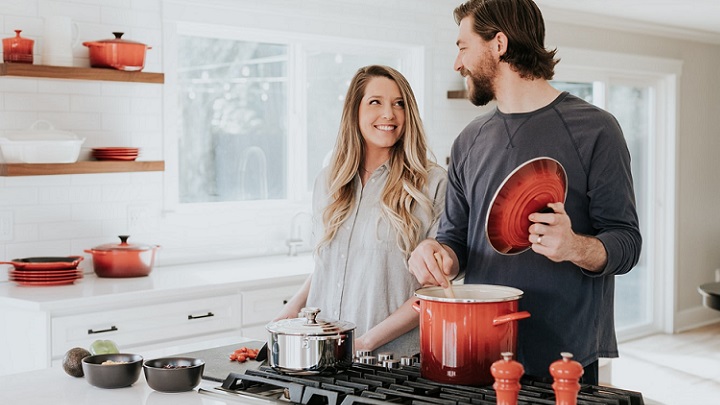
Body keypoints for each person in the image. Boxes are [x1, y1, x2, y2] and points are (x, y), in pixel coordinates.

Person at [407, 0, 642, 384]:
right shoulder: (469, 141)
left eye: (463, 47)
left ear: (498, 43)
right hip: (482, 351)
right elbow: (454, 241)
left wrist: (574, 247)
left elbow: (627, 242)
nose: (457, 63)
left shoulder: (597, 130)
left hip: (565, 359)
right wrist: (438, 256)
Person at [275, 65, 447, 357]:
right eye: (375, 102)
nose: (389, 114)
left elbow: (434, 291)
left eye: (399, 104)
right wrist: (290, 311)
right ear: (354, 111)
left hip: (393, 361)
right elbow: (330, 264)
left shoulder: (431, 183)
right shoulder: (329, 180)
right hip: (324, 355)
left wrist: (364, 342)